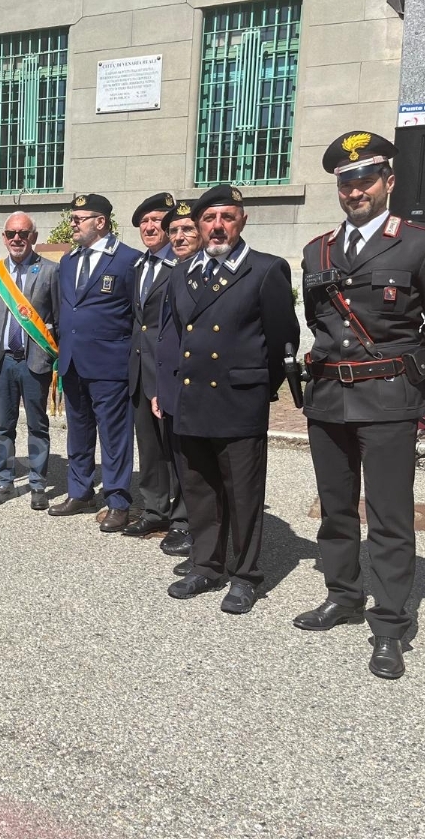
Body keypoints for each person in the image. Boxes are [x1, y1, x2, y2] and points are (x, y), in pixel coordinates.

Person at [295, 131, 425, 679]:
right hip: (328, 400)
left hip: (389, 400)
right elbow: (320, 323)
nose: (355, 190)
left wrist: (411, 366)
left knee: (390, 518)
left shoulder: (419, 244)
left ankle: (390, 623)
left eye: (365, 179)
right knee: (336, 509)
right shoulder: (316, 250)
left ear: (388, 182)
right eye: (346, 182)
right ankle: (342, 596)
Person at [164, 185, 299, 614]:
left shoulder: (265, 270)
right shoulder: (181, 273)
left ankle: (244, 575)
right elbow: (174, 336)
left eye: (227, 217)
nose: (218, 226)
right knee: (200, 489)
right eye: (209, 218)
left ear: (242, 220)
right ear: (199, 225)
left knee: (242, 494)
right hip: (192, 400)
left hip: (238, 401)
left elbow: (284, 342)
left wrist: (255, 386)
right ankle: (206, 563)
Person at [49, 193, 140, 531]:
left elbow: (136, 314)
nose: (73, 224)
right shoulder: (69, 261)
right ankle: (80, 490)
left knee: (114, 436)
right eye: (73, 218)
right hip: (73, 361)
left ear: (100, 222)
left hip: (110, 364)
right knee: (79, 431)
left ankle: (117, 501)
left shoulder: (128, 260)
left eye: (79, 218)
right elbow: (64, 310)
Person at [0, 212, 60, 511]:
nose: (17, 239)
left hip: (35, 361)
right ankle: (4, 481)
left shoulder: (50, 271)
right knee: (4, 425)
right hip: (4, 362)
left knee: (38, 425)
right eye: (11, 233)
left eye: (23, 234)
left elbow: (57, 318)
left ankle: (38, 483)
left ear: (34, 237)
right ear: (4, 237)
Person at [126, 193, 189, 543]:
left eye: (157, 221)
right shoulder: (138, 266)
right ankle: (154, 510)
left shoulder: (181, 265)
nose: (150, 227)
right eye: (145, 222)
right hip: (139, 370)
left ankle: (182, 517)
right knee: (148, 446)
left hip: (169, 372)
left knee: (175, 449)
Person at [151, 201, 202, 565]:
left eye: (187, 229)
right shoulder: (175, 272)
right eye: (174, 232)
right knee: (180, 458)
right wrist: (159, 386)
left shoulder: (210, 272)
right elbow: (166, 333)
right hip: (171, 382)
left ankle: (197, 527)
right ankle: (186, 521)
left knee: (198, 462)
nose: (179, 237)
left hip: (204, 385)